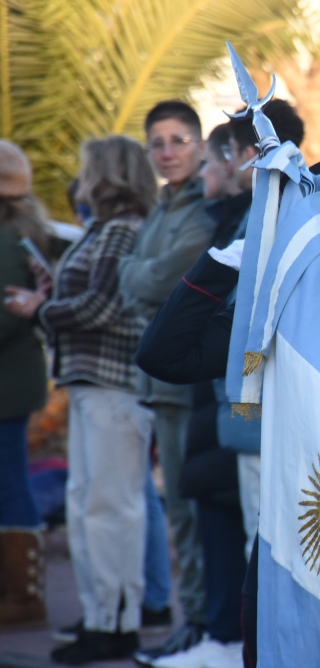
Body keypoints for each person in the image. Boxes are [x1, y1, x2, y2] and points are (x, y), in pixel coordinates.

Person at [135, 135, 320, 668]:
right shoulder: (281, 313)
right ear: (319, 225)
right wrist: (237, 254)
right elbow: (164, 355)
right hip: (301, 549)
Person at [5, 135, 158, 664]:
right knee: (90, 505)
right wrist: (53, 294)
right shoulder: (107, 231)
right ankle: (101, 616)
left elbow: (102, 307)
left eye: (89, 167)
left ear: (108, 175)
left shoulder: (120, 231)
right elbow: (95, 301)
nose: (82, 175)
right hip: (97, 386)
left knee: (109, 508)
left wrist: (41, 310)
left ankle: (116, 623)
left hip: (113, 388)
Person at [118, 100, 216, 658]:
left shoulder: (203, 211)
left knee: (190, 508)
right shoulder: (162, 206)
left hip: (187, 381)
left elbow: (160, 282)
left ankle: (200, 622)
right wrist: (139, 276)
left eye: (179, 140)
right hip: (157, 383)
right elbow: (132, 276)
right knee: (176, 508)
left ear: (201, 146)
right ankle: (193, 618)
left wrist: (138, 276)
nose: (168, 152)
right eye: (158, 142)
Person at [0, 139, 50, 628]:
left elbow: (9, 309)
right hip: (14, 381)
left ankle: (24, 596)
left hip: (8, 386)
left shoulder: (10, 239)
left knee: (12, 485)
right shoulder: (19, 233)